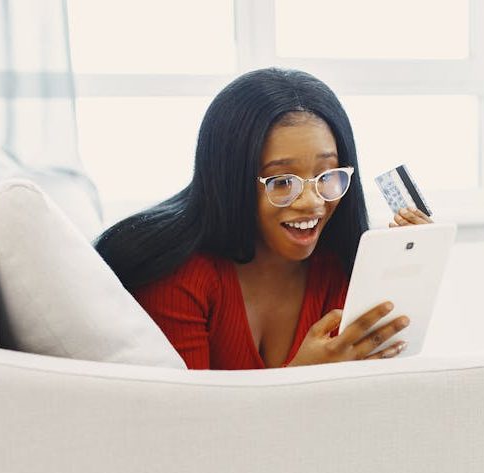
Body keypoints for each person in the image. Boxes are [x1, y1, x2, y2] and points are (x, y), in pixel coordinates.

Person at [95, 67, 431, 369]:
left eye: (327, 176)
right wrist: (301, 379)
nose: (312, 202)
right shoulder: (179, 279)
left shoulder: (339, 267)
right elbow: (188, 417)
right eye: (282, 182)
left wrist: (397, 282)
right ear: (231, 181)